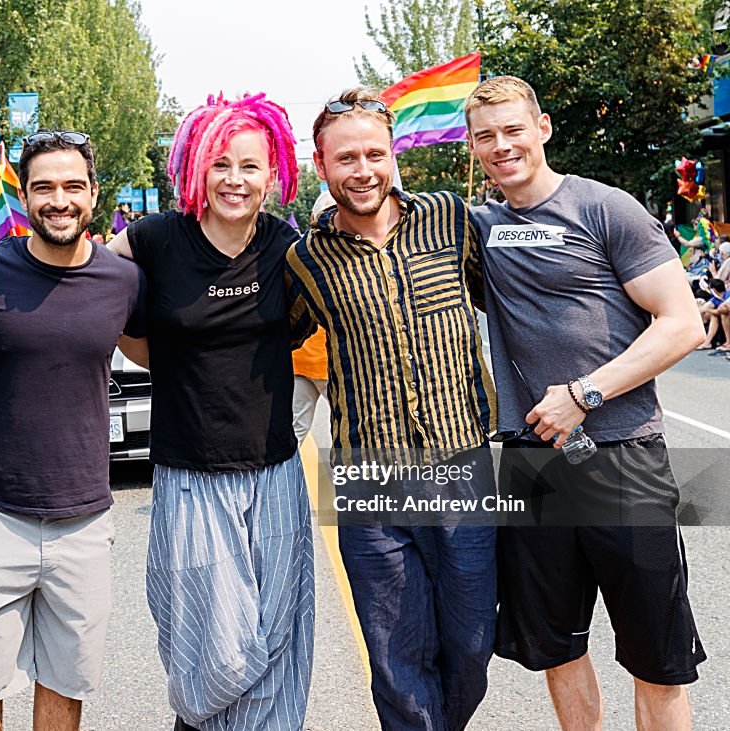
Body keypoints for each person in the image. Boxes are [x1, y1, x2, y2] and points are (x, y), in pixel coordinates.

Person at [465, 75, 706, 731]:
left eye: (513, 129)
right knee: (556, 648)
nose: (501, 145)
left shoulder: (607, 208)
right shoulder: (479, 228)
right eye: (486, 136)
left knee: (658, 658)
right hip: (533, 466)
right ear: (474, 146)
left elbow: (685, 324)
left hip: (622, 457)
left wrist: (584, 393)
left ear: (542, 129)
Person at [285, 88, 497, 731]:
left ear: (394, 153)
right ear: (322, 167)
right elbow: (259, 343)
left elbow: (517, 300)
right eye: (345, 158)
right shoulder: (306, 258)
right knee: (395, 655)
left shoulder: (452, 219)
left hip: (462, 464)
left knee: (471, 642)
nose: (363, 169)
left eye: (374, 153)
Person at [109, 92, 314, 731]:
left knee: (277, 633)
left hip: (275, 470)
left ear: (274, 173)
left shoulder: (289, 247)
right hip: (189, 473)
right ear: (194, 166)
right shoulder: (150, 241)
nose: (235, 179)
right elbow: (93, 292)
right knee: (215, 643)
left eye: (250, 166)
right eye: (219, 163)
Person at [0, 130, 145, 731]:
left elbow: (164, 355)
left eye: (72, 186)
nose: (59, 200)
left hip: (83, 523)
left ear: (92, 193)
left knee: (64, 691)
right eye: (44, 187)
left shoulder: (122, 281)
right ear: (24, 197)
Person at [290, 191, 334, 447]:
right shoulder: (347, 254)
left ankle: (283, 486)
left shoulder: (296, 253)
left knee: (293, 432)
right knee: (349, 430)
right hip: (326, 364)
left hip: (301, 362)